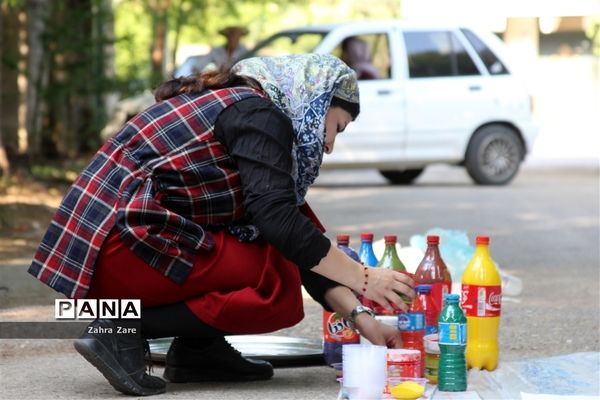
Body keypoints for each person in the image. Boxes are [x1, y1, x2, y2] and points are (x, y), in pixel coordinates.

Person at [27, 54, 414, 396]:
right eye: (337, 126)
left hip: (116, 248)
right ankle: (123, 330)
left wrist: (364, 321)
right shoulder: (260, 115)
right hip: (117, 250)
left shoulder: (243, 108)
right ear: (315, 99)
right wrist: (366, 278)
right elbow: (281, 228)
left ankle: (199, 352)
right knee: (272, 279)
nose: (329, 145)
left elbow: (297, 225)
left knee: (281, 232)